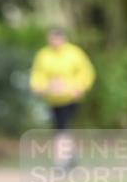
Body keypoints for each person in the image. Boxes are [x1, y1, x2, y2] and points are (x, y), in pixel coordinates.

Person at [29, 28, 95, 168]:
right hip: (52, 99)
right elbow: (37, 74)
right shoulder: (43, 54)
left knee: (62, 128)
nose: (53, 42)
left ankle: (61, 161)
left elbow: (86, 72)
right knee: (61, 128)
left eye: (56, 39)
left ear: (63, 38)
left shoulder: (74, 53)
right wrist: (42, 86)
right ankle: (72, 154)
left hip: (70, 98)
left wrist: (79, 87)